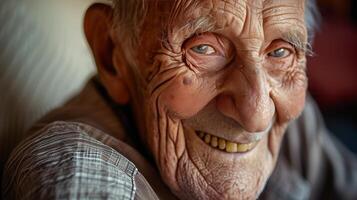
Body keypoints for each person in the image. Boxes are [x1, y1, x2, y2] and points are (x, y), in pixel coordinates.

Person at [2, 0, 357, 199]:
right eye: (203, 48)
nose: (256, 115)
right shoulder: (78, 171)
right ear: (112, 55)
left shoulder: (286, 112)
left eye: (280, 51)